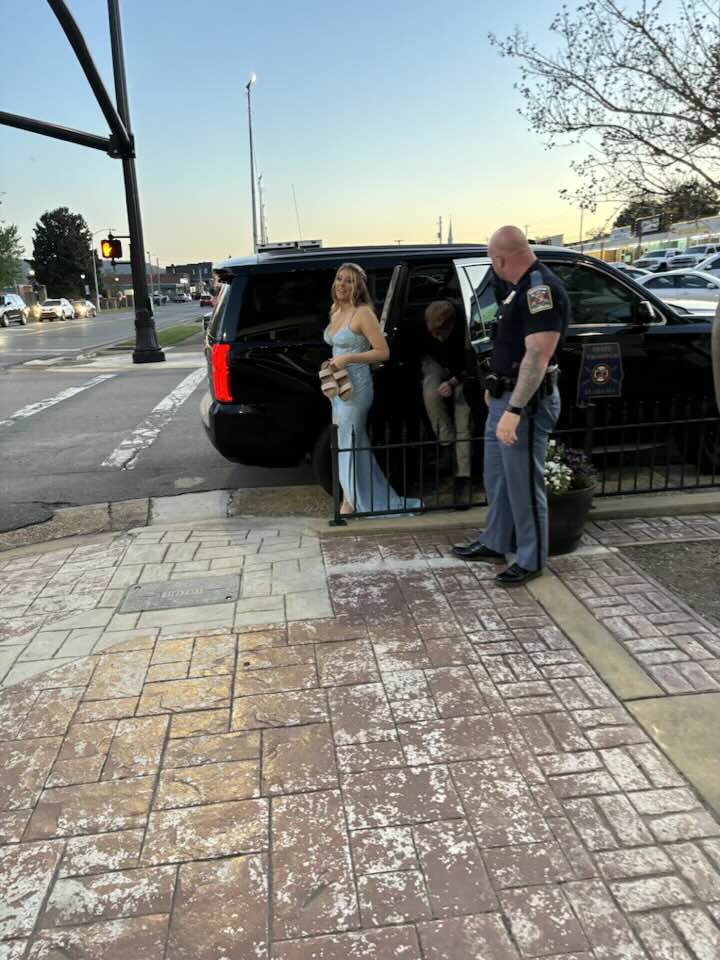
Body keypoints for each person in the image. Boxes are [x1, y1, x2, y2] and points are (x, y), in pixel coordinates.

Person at [451, 226, 570, 585]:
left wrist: (515, 409)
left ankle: (531, 560)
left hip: (526, 406)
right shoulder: (519, 289)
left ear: (501, 258)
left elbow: (537, 354)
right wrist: (496, 389)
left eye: (493, 259)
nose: (493, 266)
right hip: (504, 397)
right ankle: (495, 540)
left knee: (523, 484)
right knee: (499, 479)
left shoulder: (540, 289)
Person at [324, 262, 422, 516]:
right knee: (349, 442)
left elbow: (383, 352)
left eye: (349, 281)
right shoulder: (335, 311)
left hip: (357, 389)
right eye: (339, 279)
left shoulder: (363, 313)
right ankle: (355, 496)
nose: (342, 285)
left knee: (349, 442)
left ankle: (349, 502)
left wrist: (348, 359)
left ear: (358, 286)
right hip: (339, 388)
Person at [421, 300, 472, 504]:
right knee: (430, 393)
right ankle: (446, 443)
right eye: (432, 333)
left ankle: (463, 476)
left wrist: (453, 382)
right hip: (436, 363)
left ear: (450, 326)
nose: (436, 337)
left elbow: (469, 363)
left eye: (440, 333)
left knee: (463, 413)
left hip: (462, 373)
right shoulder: (429, 328)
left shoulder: (466, 329)